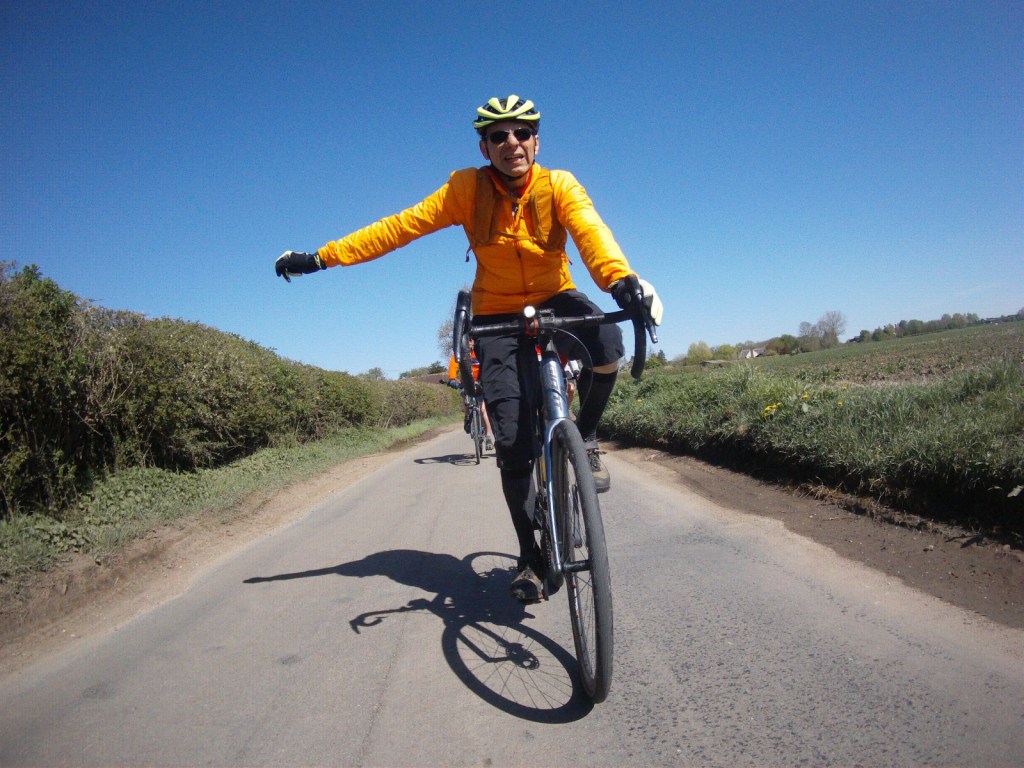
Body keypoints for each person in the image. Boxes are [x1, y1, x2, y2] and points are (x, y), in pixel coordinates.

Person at [275, 94, 663, 602]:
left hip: (555, 295)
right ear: (484, 147)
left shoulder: (559, 185)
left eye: (522, 133)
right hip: (496, 313)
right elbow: (399, 227)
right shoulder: (466, 189)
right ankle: (530, 557)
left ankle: (585, 437)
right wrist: (321, 258)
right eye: (498, 135)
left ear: (536, 141)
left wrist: (619, 281)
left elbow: (591, 232)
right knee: (513, 444)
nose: (511, 143)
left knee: (608, 343)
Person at [446, 342, 494, 451]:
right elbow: (453, 366)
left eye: (472, 343)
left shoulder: (480, 352)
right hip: (466, 382)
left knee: (483, 410)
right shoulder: (459, 353)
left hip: (480, 382)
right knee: (465, 399)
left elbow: (488, 366)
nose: (470, 345)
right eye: (467, 343)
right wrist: (452, 379)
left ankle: (488, 437)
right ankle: (467, 417)